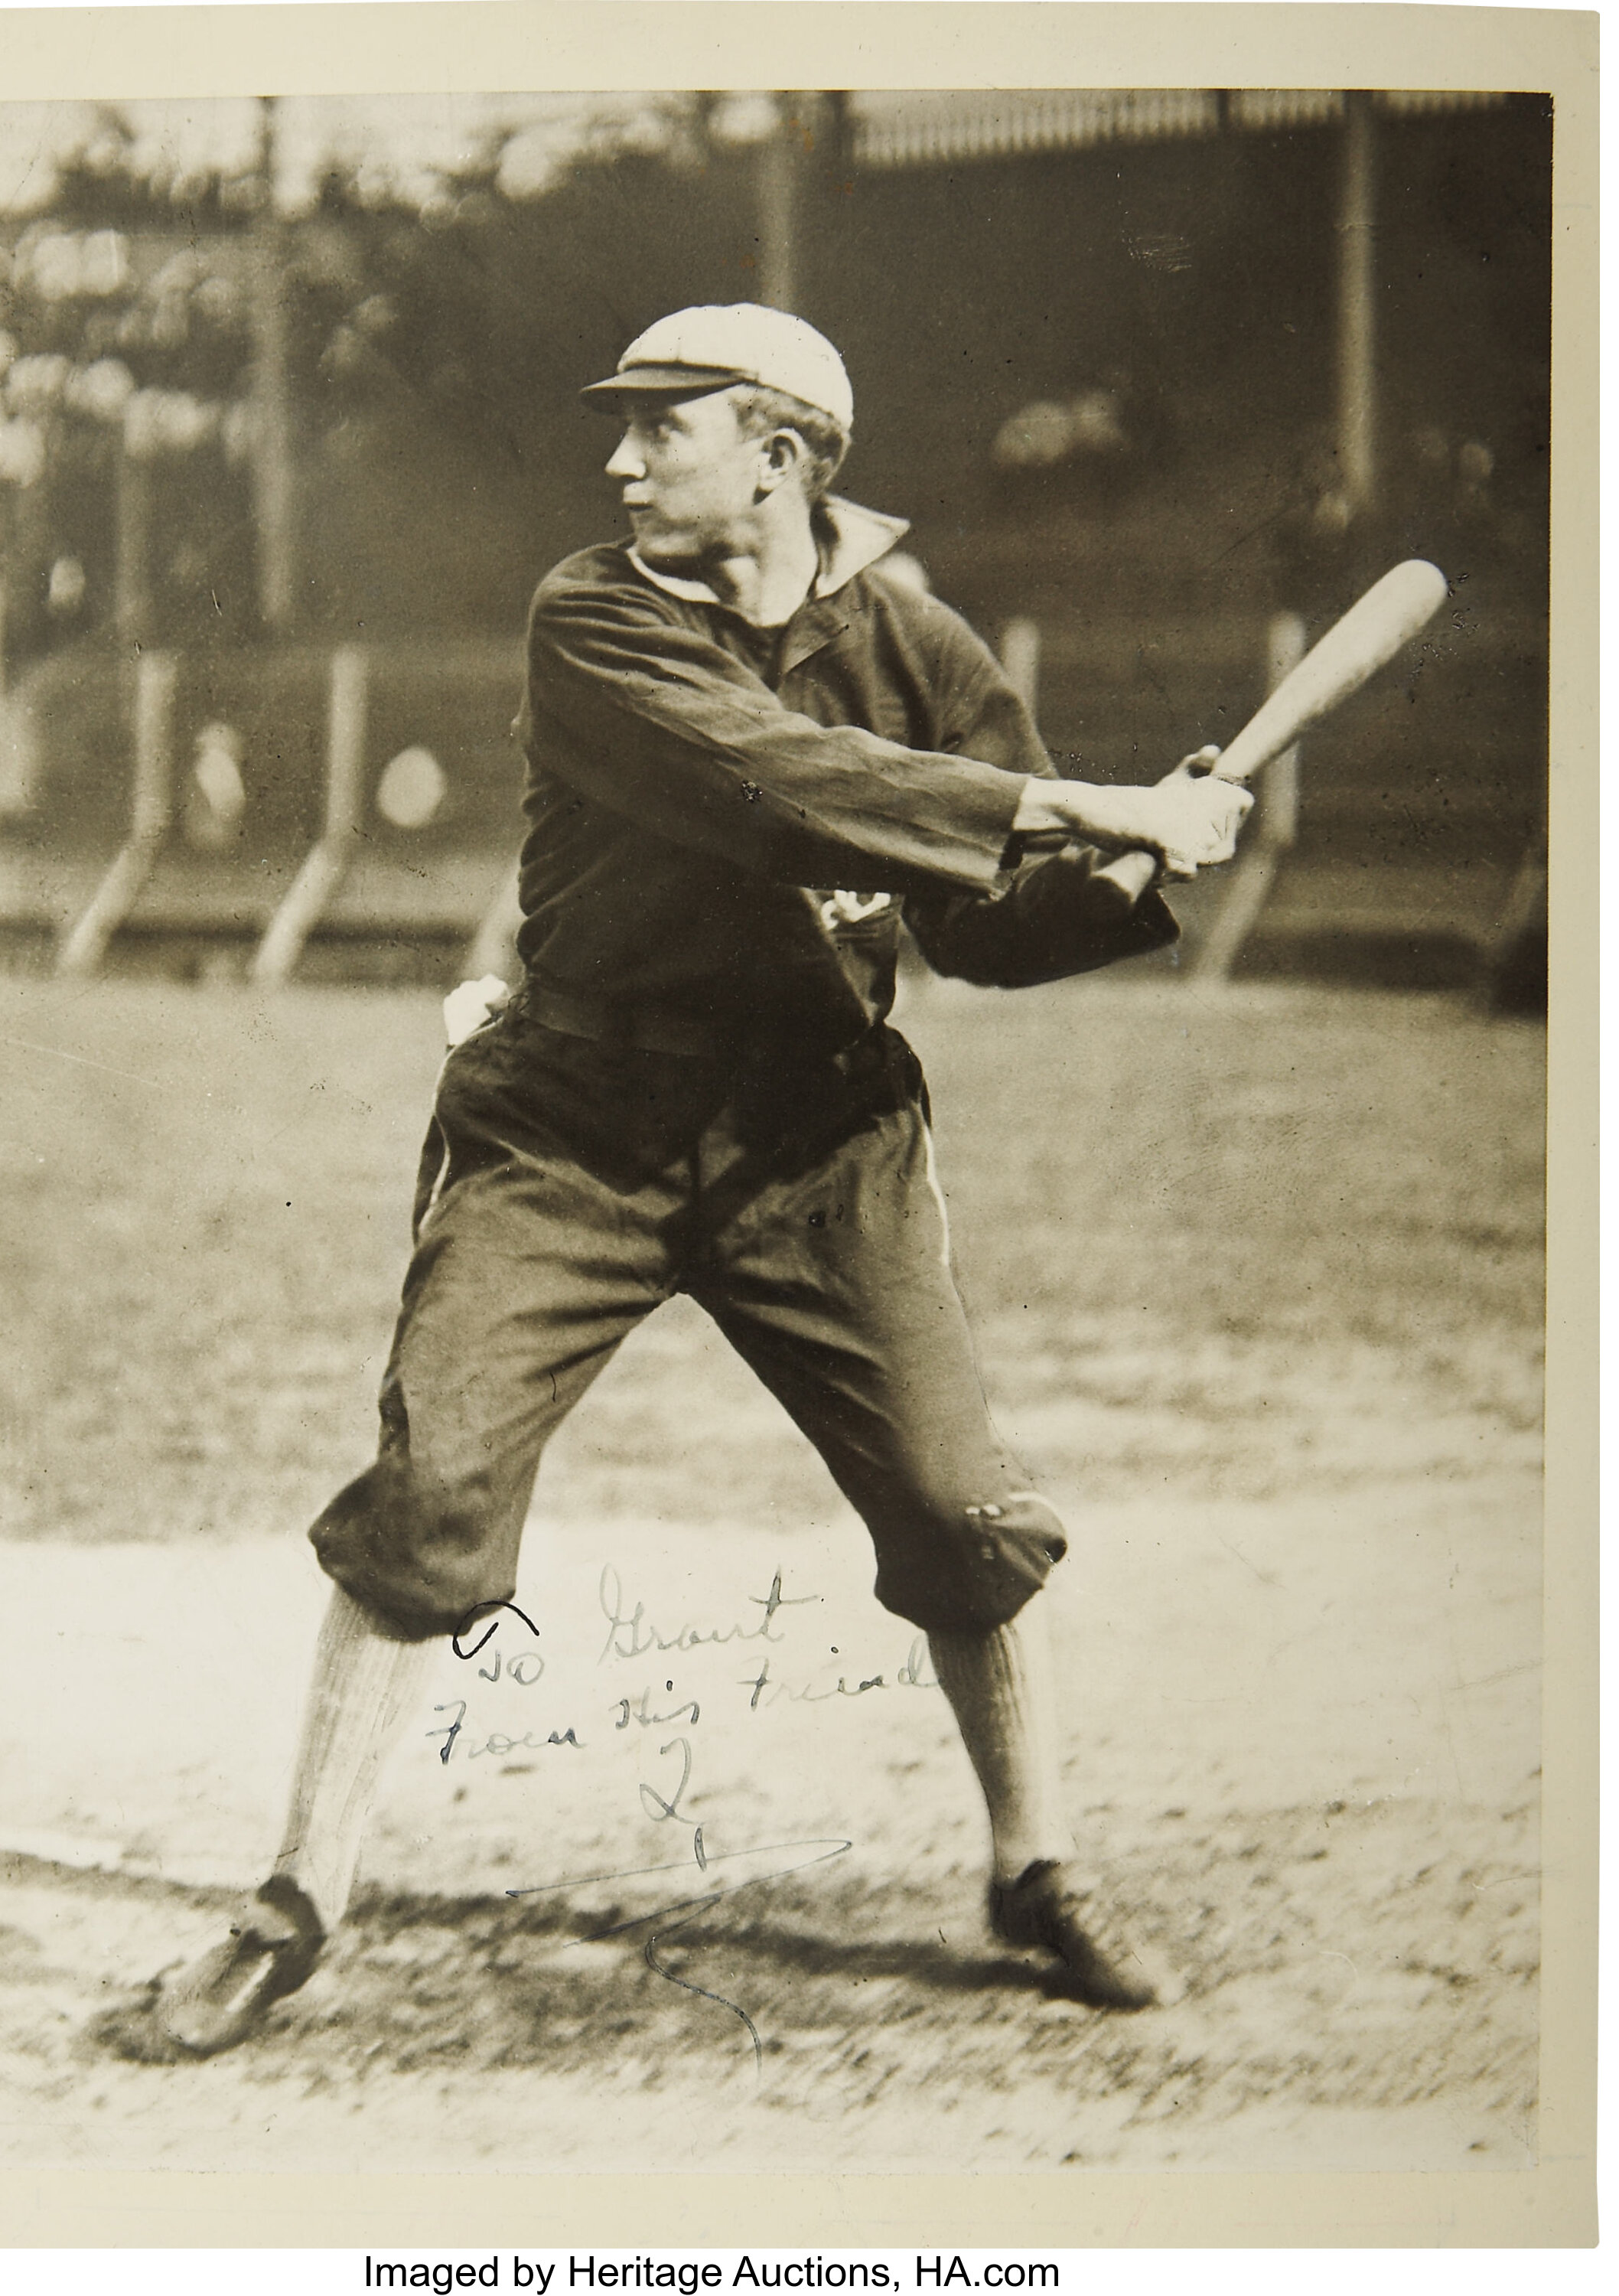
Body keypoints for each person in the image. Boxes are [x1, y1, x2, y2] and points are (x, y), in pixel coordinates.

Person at [142, 305, 1250, 2056]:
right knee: (432, 1491)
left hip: (817, 1140)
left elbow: (987, 928)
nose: (620, 460)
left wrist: (1121, 867)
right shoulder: (590, 615)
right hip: (571, 1118)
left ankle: (1035, 1867)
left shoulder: (915, 638)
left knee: (964, 1513)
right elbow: (777, 784)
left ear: (784, 457)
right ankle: (291, 1907)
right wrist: (1090, 803)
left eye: (663, 428)